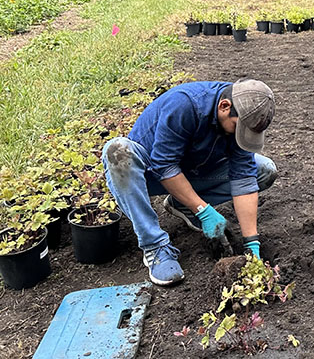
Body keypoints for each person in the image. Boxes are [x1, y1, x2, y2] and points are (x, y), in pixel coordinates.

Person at [102, 79, 278, 285]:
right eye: (237, 128)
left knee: (263, 170)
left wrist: (252, 244)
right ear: (224, 107)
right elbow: (164, 165)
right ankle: (155, 247)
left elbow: (244, 179)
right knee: (117, 151)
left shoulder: (244, 106)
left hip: (193, 169)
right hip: (148, 174)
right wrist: (204, 210)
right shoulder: (185, 104)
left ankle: (183, 206)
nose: (240, 136)